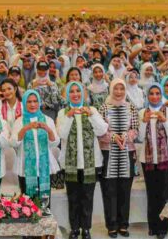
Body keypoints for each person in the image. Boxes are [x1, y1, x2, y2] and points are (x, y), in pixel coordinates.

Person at [57, 81, 108, 239]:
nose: (75, 94)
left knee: (87, 197)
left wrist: (91, 115)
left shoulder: (91, 109)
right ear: (67, 95)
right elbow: (62, 134)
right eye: (71, 91)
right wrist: (69, 116)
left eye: (77, 91)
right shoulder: (62, 113)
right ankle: (74, 228)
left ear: (83, 93)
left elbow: (102, 130)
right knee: (73, 197)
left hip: (90, 163)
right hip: (70, 164)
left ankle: (86, 228)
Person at [98, 78, 139, 238]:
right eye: (116, 89)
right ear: (111, 89)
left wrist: (126, 136)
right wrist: (114, 137)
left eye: (122, 89)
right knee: (109, 191)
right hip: (108, 153)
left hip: (127, 153)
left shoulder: (131, 107)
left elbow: (135, 128)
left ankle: (123, 224)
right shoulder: (103, 107)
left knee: (124, 191)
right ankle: (111, 225)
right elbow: (100, 130)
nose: (119, 92)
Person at [138, 83, 168, 239]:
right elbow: (140, 138)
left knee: (163, 194)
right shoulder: (143, 111)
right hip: (146, 159)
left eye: (157, 94)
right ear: (147, 96)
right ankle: (152, 226)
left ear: (161, 95)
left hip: (165, 158)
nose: (154, 96)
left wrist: (165, 119)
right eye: (151, 94)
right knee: (151, 193)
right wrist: (144, 121)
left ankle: (162, 228)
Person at [11, 90, 59, 205]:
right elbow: (13, 143)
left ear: (39, 102)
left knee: (45, 202)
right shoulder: (19, 121)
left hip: (45, 167)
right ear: (24, 103)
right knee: (27, 204)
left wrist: (48, 129)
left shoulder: (48, 120)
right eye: (29, 102)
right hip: (24, 168)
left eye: (35, 101)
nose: (32, 104)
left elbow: (55, 143)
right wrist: (25, 128)